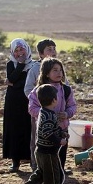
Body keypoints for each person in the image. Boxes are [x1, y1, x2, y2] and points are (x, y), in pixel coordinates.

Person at [16, 84, 71, 184]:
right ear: (54, 100)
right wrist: (59, 141)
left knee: (41, 173)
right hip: (47, 152)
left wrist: (61, 133)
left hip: (40, 150)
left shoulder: (44, 112)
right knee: (53, 174)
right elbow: (47, 133)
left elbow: (51, 128)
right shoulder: (48, 115)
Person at [28, 58, 77, 174]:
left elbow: (73, 106)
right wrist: (46, 114)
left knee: (61, 151)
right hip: (45, 129)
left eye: (60, 70)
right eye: (55, 70)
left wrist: (66, 114)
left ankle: (60, 172)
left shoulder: (66, 89)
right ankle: (43, 173)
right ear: (46, 73)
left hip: (62, 127)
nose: (59, 73)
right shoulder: (38, 91)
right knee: (46, 152)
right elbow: (32, 108)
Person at [24, 39, 58, 171]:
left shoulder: (58, 67)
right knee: (37, 137)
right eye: (49, 49)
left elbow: (64, 87)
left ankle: (56, 165)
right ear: (41, 54)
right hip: (40, 112)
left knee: (56, 137)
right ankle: (36, 165)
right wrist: (38, 104)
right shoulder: (35, 69)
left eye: (54, 48)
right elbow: (28, 89)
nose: (53, 52)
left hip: (56, 111)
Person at [3, 38, 35, 173]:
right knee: (14, 130)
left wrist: (14, 83)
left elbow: (27, 84)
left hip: (29, 101)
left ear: (26, 49)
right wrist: (20, 66)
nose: (19, 53)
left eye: (21, 49)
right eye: (16, 50)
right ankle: (15, 162)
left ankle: (32, 161)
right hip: (13, 103)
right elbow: (11, 78)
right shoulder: (11, 64)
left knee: (29, 130)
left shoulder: (34, 65)